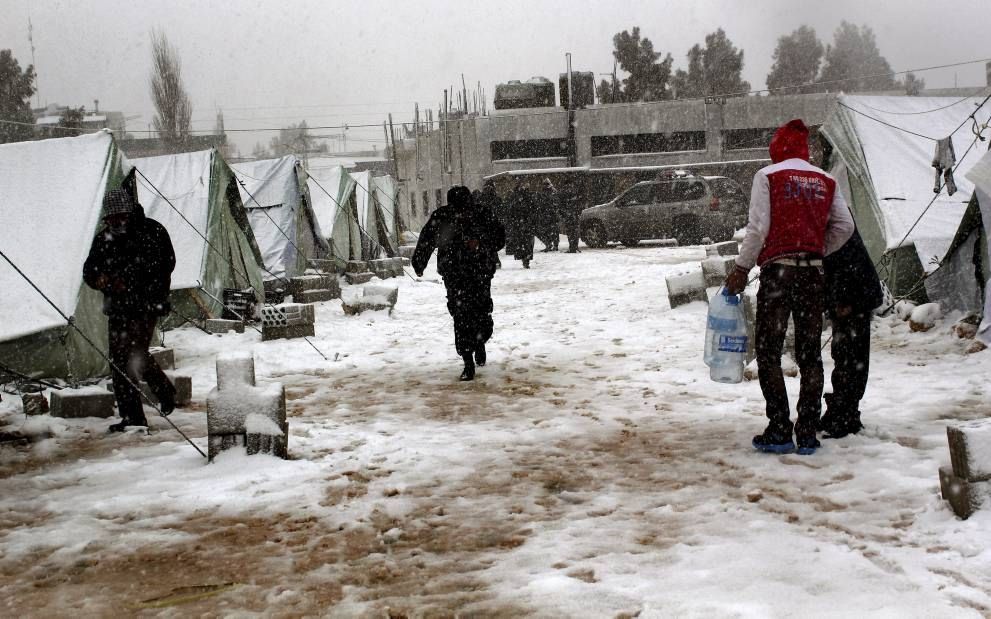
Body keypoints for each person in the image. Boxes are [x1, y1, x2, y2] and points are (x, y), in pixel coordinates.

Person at [725, 119, 854, 456]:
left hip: (778, 272)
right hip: (813, 274)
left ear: (777, 149)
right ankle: (808, 432)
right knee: (810, 353)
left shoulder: (768, 177)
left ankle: (780, 428)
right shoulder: (825, 179)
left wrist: (741, 268)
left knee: (769, 350)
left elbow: (757, 228)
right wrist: (816, 248)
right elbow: (845, 225)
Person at [83, 188, 177, 432]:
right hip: (118, 308)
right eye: (111, 219)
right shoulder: (104, 239)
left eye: (120, 217)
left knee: (135, 353)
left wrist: (132, 281)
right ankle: (134, 416)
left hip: (147, 305)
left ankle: (161, 395)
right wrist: (101, 279)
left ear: (130, 212)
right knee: (119, 360)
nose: (116, 223)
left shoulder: (152, 232)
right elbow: (90, 271)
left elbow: (166, 264)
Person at [412, 186, 506, 381]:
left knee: (479, 312)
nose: (460, 211)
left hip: (478, 272)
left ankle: (479, 343)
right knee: (461, 316)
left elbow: (499, 238)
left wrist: (479, 242)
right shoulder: (444, 216)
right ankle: (467, 361)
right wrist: (419, 262)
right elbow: (427, 240)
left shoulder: (481, 214)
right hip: (456, 275)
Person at [820, 228, 882, 438]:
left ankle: (846, 413)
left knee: (851, 355)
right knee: (844, 354)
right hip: (851, 292)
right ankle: (842, 409)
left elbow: (841, 259)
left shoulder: (835, 222)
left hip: (854, 293)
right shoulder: (829, 212)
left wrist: (844, 299)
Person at [505, 183, 536, 268]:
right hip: (523, 225)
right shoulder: (525, 199)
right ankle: (526, 259)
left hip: (521, 225)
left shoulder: (517, 199)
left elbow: (511, 213)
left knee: (523, 243)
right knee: (526, 243)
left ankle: (525, 259)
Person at [558, 178, 585, 253]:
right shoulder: (575, 192)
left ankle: (573, 247)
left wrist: (563, 214)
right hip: (573, 215)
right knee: (575, 231)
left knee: (571, 232)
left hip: (569, 215)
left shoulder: (564, 193)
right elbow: (579, 203)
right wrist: (578, 212)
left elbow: (560, 205)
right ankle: (575, 247)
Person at [536, 178, 560, 252]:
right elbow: (540, 203)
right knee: (546, 231)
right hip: (545, 215)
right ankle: (548, 245)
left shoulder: (553, 191)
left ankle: (555, 246)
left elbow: (555, 203)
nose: (545, 186)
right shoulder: (543, 192)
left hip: (552, 215)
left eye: (546, 184)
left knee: (554, 231)